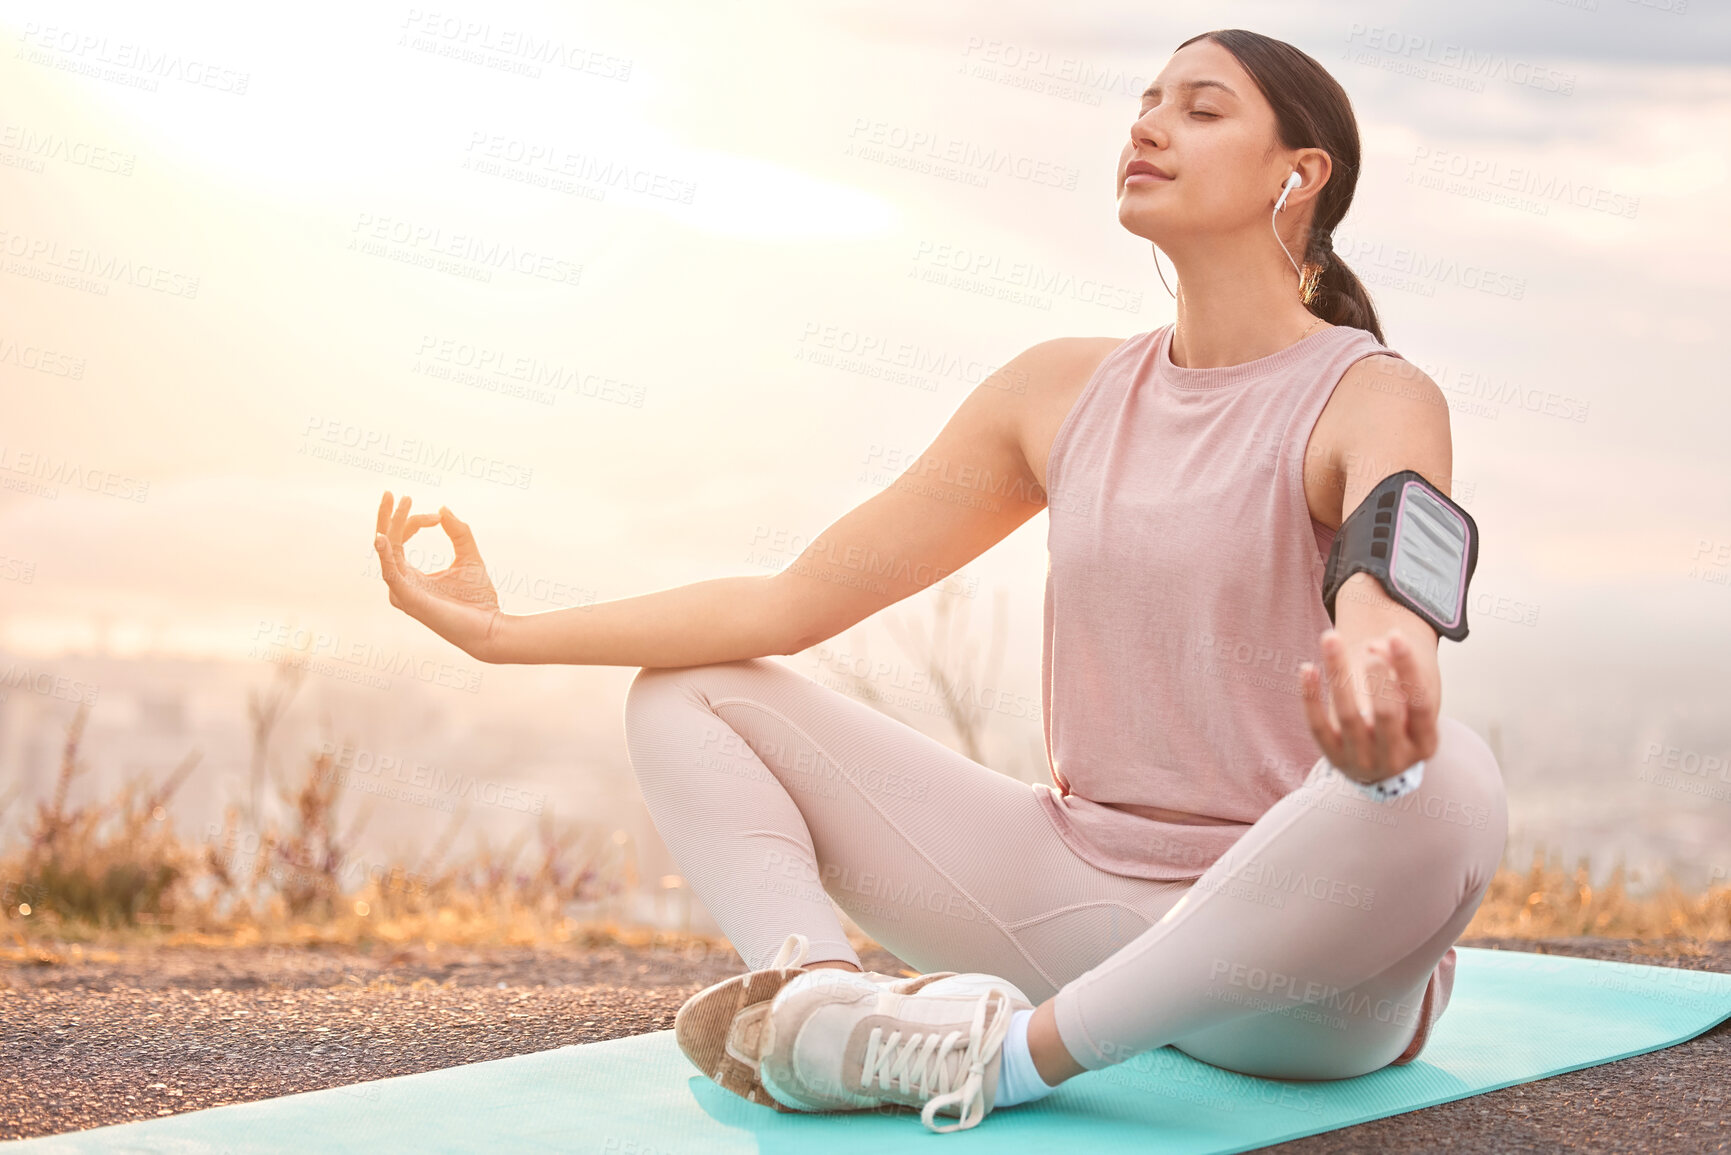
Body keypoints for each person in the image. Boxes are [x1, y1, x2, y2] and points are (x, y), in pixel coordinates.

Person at [372, 27, 1508, 1136]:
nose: (1150, 125)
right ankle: (818, 1012)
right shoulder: (1054, 392)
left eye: (1201, 109)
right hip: (1070, 900)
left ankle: (1005, 1061)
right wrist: (503, 633)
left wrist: (1381, 679)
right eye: (1147, 103)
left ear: (1299, 174)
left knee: (1446, 779)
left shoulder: (1373, 394)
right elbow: (789, 603)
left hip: (1286, 981)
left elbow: (1390, 581)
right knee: (687, 691)